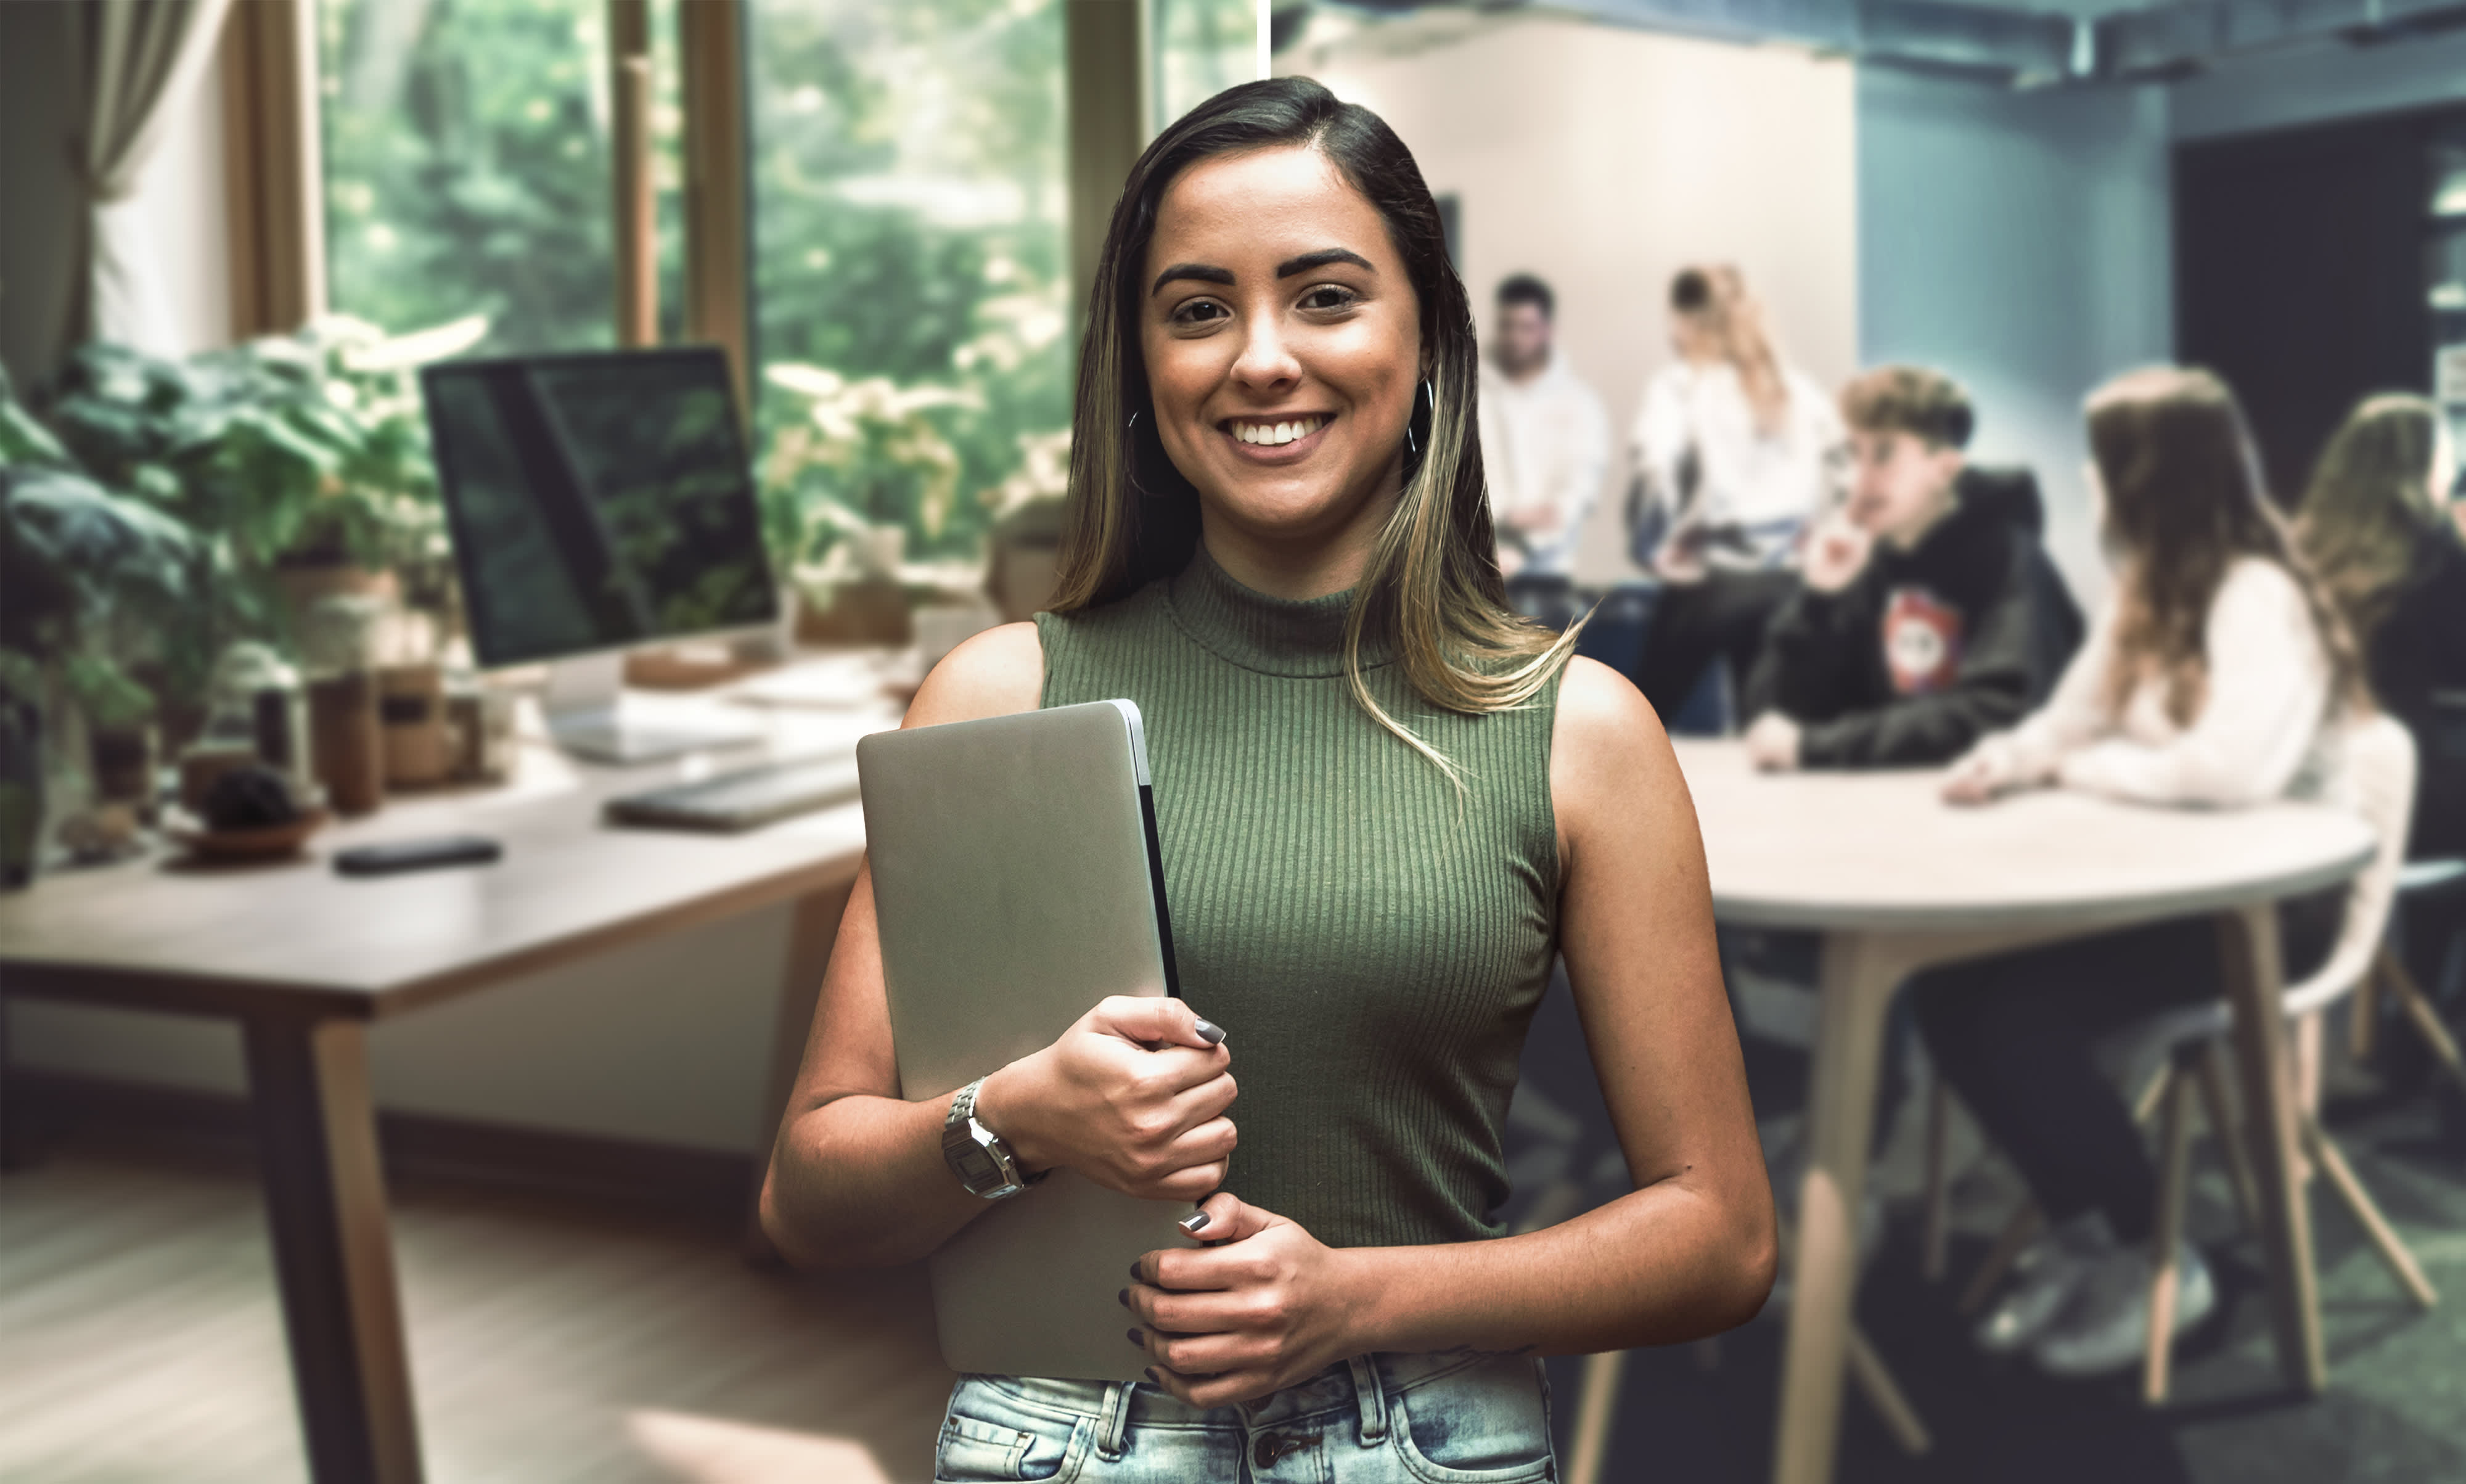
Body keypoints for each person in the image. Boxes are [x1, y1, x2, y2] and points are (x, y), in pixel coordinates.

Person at [760, 77, 1775, 1481]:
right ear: (1140, 362)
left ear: (1425, 339)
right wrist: (1015, 1117)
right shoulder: (995, 696)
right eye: (1195, 308)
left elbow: (1718, 1234)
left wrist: (1356, 1295)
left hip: (1421, 1432)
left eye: (1323, 296)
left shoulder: (1580, 729)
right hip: (1061, 1432)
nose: (1257, 358)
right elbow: (809, 1201)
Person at [1917, 366, 2366, 1379]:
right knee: (1948, 990)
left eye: (2103, 459)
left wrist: (2078, 767)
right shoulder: (2148, 591)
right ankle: (2084, 1236)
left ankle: (2155, 1258)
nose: (2086, 477)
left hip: (2269, 910)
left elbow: (2223, 771)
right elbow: (2068, 716)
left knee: (2016, 1017)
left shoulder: (2259, 595)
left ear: (2147, 477)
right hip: (2175, 888)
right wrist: (2013, 758)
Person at [1742, 365, 2083, 771]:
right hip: (1884, 811)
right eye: (1852, 453)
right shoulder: (1863, 564)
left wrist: (1817, 748)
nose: (1860, 478)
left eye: (1884, 454)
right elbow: (1770, 720)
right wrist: (1817, 601)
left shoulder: (2011, 559)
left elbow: (1999, 714)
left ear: (1945, 469)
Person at [1626, 264, 1841, 723]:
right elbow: (1850, 474)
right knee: (1761, 739)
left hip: (1709, 585)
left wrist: (1652, 551)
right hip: (1787, 586)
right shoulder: (1798, 390)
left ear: (1686, 320)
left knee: (1637, 729)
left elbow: (1654, 472)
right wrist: (1822, 539)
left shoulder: (1681, 386)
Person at [2296, 393, 2466, 859]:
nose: (2452, 475)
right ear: (2423, 467)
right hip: (2414, 798)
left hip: (2323, 799)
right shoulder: (2431, 557)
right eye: (2447, 457)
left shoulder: (2304, 554)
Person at [1477, 273, 1610, 580]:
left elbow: (1578, 492)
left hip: (1549, 577)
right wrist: (1508, 518)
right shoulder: (1471, 395)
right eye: (1506, 326)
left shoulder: (1580, 404)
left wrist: (1523, 546)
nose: (1514, 337)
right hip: (1475, 574)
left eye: (1526, 328)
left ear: (1548, 331)